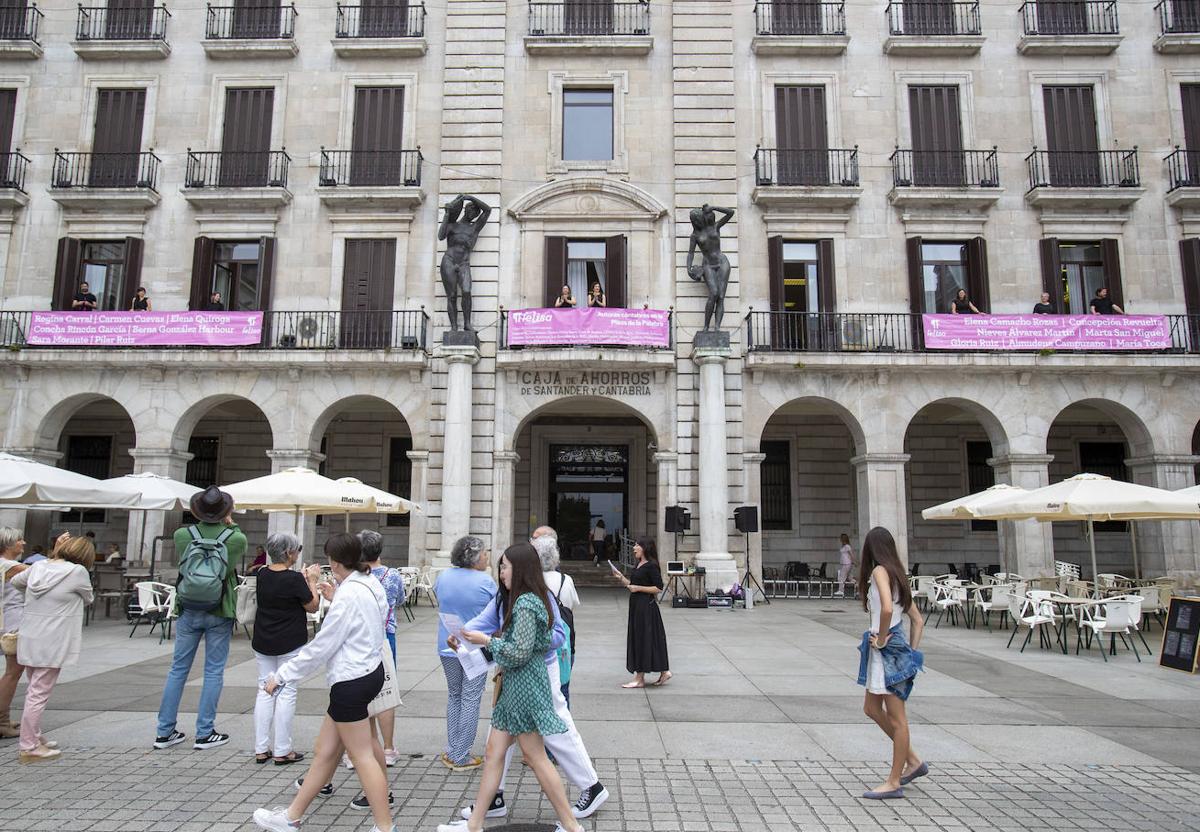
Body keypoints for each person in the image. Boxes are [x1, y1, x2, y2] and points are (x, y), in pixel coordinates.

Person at [454, 547, 609, 822]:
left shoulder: (534, 598)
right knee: (500, 742)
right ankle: (492, 799)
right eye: (500, 566)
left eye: (505, 567)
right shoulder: (506, 595)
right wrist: (463, 635)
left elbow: (558, 635)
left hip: (536, 672)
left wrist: (522, 642)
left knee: (556, 731)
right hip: (513, 671)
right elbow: (487, 620)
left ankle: (590, 787)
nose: (500, 573)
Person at [253, 534, 395, 832]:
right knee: (326, 751)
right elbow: (373, 617)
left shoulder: (350, 593)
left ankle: (385, 827)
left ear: (334, 562)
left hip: (351, 680)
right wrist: (334, 597)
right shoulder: (367, 584)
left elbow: (322, 647)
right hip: (369, 671)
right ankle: (291, 816)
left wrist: (281, 676)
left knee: (362, 755)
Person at [153, 485, 247, 751]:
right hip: (219, 608)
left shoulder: (183, 534)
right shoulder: (236, 538)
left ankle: (164, 731)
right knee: (213, 671)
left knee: (177, 669)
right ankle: (205, 732)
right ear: (226, 511)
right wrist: (231, 524)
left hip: (188, 608)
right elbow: (232, 559)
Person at [9, 532, 94, 762]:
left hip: (30, 635)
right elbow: (88, 598)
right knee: (38, 694)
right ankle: (29, 746)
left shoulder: (38, 567)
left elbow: (16, 582)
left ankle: (34, 736)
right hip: (53, 640)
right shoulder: (78, 572)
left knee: (33, 689)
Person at [857, 526, 926, 800]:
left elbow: (886, 608)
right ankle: (913, 760)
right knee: (871, 707)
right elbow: (918, 620)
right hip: (894, 647)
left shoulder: (879, 572)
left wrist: (885, 639)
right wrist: (910, 651)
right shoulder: (897, 575)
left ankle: (895, 781)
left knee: (897, 719)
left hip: (885, 647)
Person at [252, 533, 320, 765]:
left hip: (263, 639)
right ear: (289, 553)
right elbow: (312, 606)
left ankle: (261, 748)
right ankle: (282, 750)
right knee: (286, 691)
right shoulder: (294, 579)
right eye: (297, 549)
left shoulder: (261, 574)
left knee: (264, 690)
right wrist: (311, 580)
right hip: (290, 640)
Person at [433, 536, 495, 771]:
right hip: (475, 647)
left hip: (446, 644)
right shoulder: (486, 581)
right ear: (475, 557)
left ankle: (453, 748)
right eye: (485, 554)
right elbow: (496, 609)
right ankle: (460, 755)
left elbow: (439, 598)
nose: (487, 557)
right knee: (471, 698)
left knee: (455, 695)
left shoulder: (444, 577)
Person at [360, 529, 404, 768]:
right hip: (386, 637)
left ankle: (363, 746)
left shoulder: (354, 576)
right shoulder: (392, 575)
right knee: (385, 691)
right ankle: (387, 748)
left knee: (361, 693)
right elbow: (401, 599)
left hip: (359, 638)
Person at [531, 527, 579, 706]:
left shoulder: (527, 581)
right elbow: (571, 608)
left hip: (534, 644)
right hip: (562, 643)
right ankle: (563, 729)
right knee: (562, 689)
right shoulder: (565, 580)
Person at [616, 537, 669, 688]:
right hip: (637, 606)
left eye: (637, 545)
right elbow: (633, 585)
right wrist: (621, 578)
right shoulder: (639, 564)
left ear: (645, 548)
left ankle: (639, 678)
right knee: (646, 639)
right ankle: (664, 671)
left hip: (646, 607)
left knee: (643, 639)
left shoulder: (651, 566)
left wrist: (638, 588)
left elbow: (658, 588)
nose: (634, 548)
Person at [686, 203, 734, 331]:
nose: (696, 221)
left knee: (721, 297)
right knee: (713, 293)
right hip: (708, 265)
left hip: (722, 263)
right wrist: (688, 268)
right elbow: (691, 253)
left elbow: (730, 213)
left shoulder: (715, 226)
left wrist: (713, 207)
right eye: (694, 220)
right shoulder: (695, 236)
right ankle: (706, 326)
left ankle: (717, 327)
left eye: (697, 218)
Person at [0, 528, 29, 740]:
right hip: (13, 623)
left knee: (12, 671)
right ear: (8, 545)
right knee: (12, 672)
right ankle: (2, 721)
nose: (24, 543)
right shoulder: (13, 567)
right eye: (19, 540)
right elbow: (42, 576)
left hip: (7, 621)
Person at [835, 534, 856, 598]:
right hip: (845, 563)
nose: (840, 539)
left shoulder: (847, 546)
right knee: (849, 578)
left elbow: (851, 555)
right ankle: (859, 586)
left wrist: (854, 562)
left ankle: (841, 591)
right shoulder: (844, 546)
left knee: (842, 577)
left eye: (841, 538)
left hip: (846, 564)